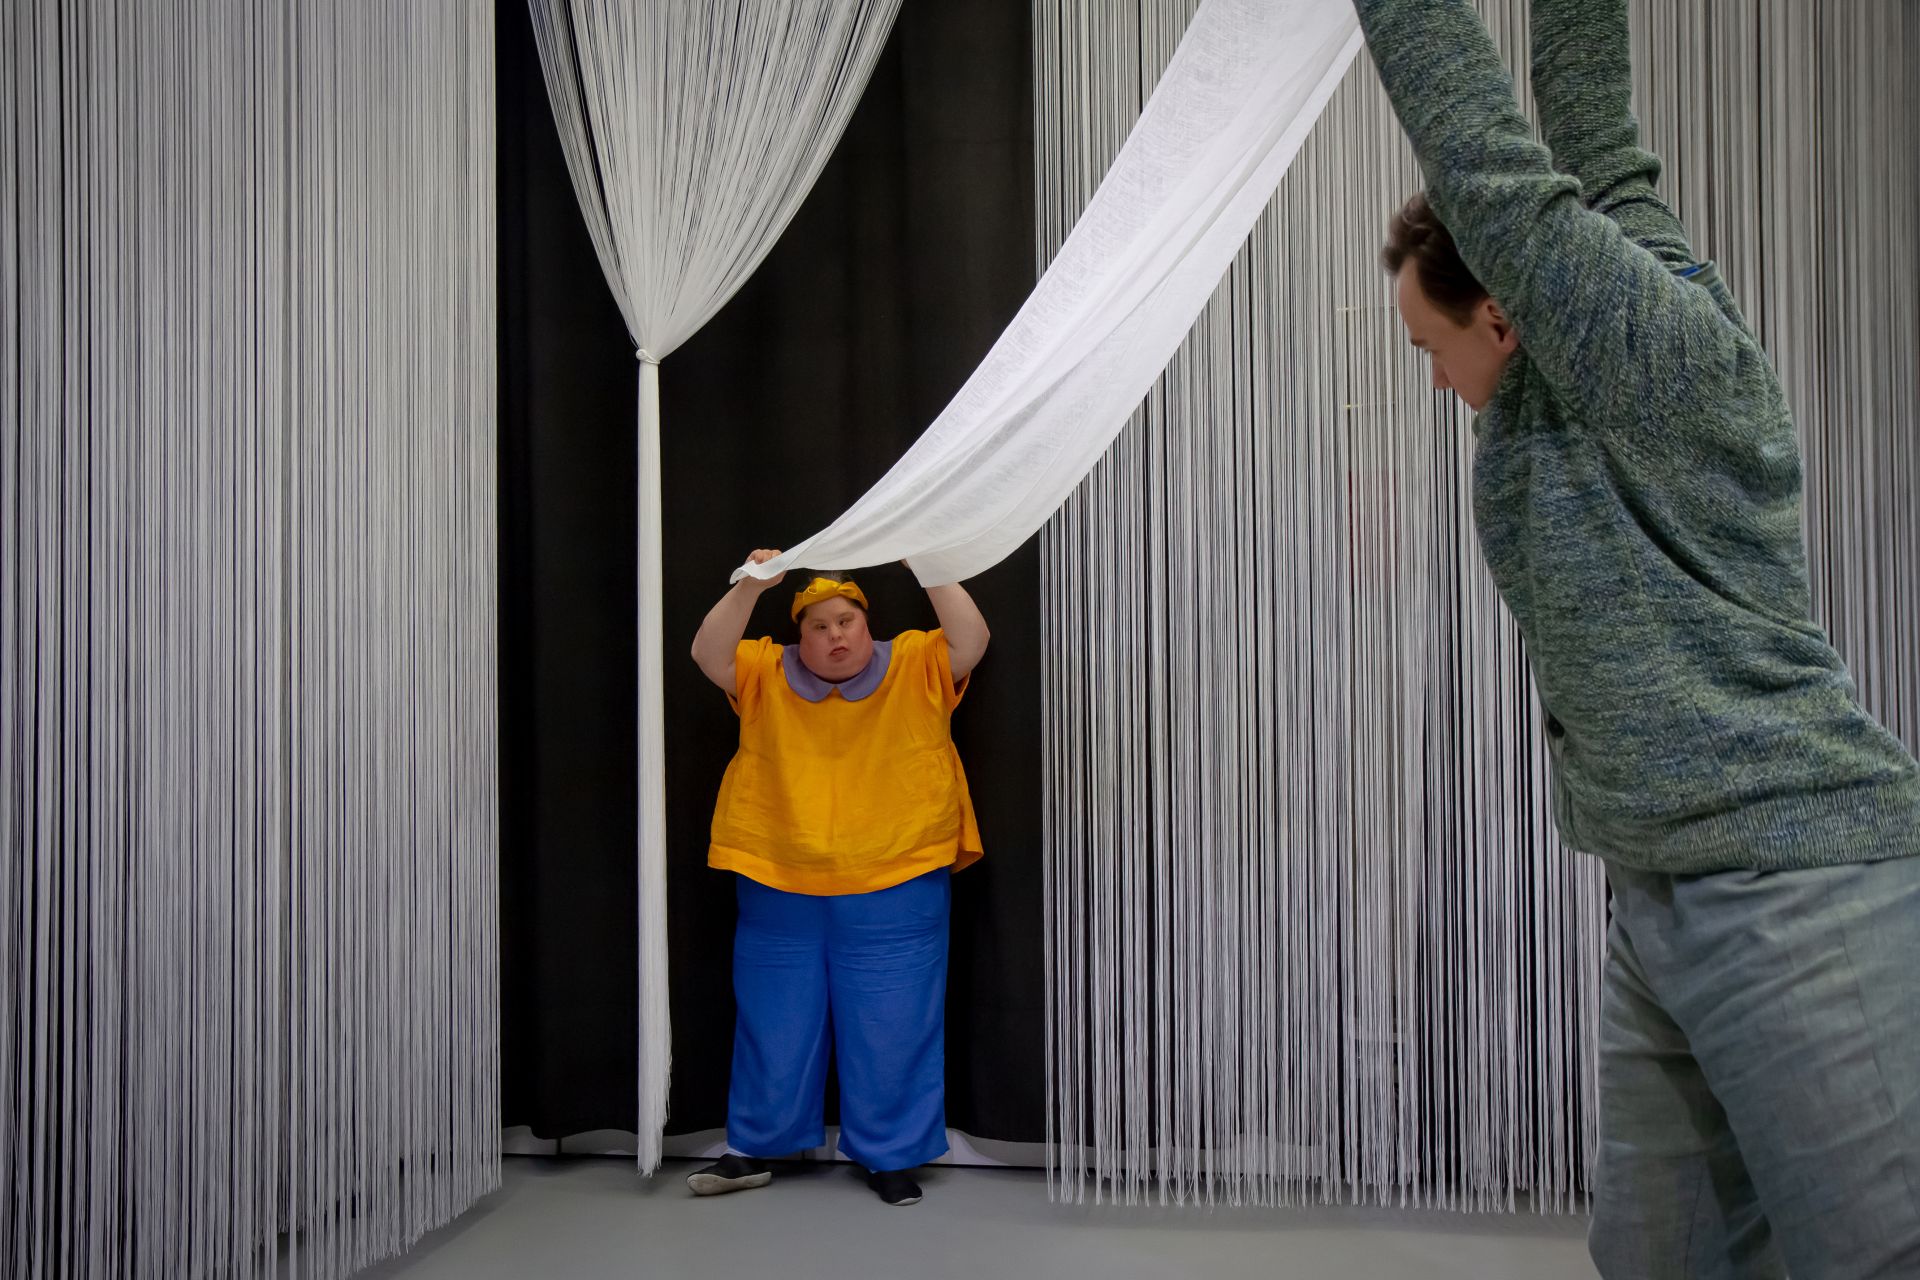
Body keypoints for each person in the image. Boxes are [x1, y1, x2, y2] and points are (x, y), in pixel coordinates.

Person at [1354, 0, 1920, 1273]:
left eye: (1428, 349)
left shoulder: (1650, 356)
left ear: (1502, 314)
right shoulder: (1587, 357)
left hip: (1794, 879)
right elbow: (1596, 134)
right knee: (1656, 1255)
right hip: (1657, 893)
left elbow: (1494, 167)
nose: (1433, 381)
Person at [684, 550, 990, 1207]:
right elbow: (708, 653)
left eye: (846, 621)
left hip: (896, 875)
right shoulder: (764, 671)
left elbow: (973, 640)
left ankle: (891, 1156)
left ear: (866, 623)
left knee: (893, 1023)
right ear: (800, 635)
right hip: (779, 875)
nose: (836, 636)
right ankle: (755, 1147)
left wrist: (929, 560)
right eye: (819, 626)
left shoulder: (914, 662)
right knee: (774, 1021)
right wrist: (749, 586)